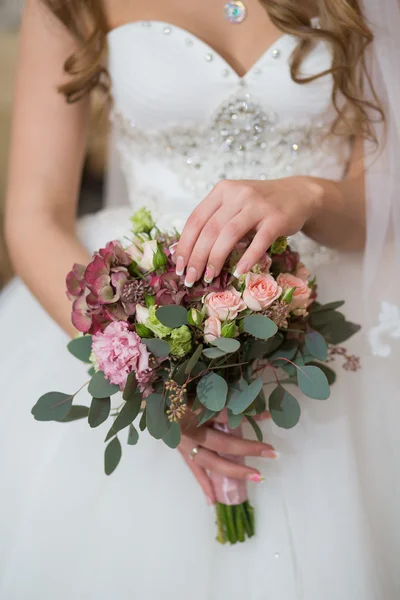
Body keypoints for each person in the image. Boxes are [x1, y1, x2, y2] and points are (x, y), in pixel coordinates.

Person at [1, 1, 399, 598]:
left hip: (324, 318)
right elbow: (34, 216)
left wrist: (313, 195)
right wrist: (146, 371)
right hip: (138, 305)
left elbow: (382, 214)